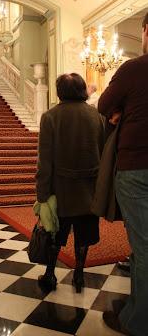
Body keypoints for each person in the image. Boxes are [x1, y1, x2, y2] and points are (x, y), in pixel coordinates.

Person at [98, 12, 148, 336]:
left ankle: (137, 321)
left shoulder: (134, 68)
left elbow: (104, 103)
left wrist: (120, 112)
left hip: (137, 168)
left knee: (143, 248)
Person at [36, 73, 105, 292]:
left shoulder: (50, 117)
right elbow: (103, 153)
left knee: (56, 233)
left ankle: (50, 274)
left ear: (59, 91)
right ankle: (79, 276)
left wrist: (42, 193)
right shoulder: (97, 116)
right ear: (83, 89)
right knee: (84, 234)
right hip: (90, 188)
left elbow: (44, 160)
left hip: (61, 189)